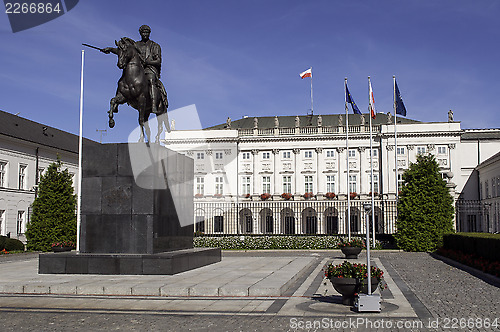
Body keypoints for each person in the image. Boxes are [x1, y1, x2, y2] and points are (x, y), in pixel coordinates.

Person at [102, 25, 167, 114]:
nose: (145, 34)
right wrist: (110, 49)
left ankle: (153, 105)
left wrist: (148, 62)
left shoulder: (155, 46)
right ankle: (117, 102)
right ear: (140, 33)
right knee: (122, 81)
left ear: (149, 33)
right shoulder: (136, 45)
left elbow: (158, 61)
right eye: (143, 32)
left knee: (151, 80)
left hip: (149, 69)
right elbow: (123, 51)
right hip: (138, 70)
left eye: (147, 32)